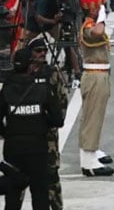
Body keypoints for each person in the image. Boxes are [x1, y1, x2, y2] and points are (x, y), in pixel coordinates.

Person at [64, 0, 114, 176]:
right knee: (92, 117)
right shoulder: (89, 25)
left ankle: (92, 151)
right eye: (100, 5)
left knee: (96, 115)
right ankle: (88, 162)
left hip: (100, 75)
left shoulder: (91, 22)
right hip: (95, 76)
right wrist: (102, 16)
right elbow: (97, 33)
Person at [0, 47, 64, 210]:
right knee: (40, 196)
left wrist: (8, 133)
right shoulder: (41, 89)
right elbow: (58, 119)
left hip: (13, 150)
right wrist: (41, 121)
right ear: (30, 66)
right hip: (37, 150)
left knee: (13, 196)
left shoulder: (7, 88)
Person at [27, 37, 68, 210]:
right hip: (27, 132)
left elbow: (62, 99)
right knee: (21, 176)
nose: (42, 54)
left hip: (48, 133)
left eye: (44, 51)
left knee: (51, 175)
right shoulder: (22, 74)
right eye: (38, 51)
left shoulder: (52, 73)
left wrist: (55, 120)